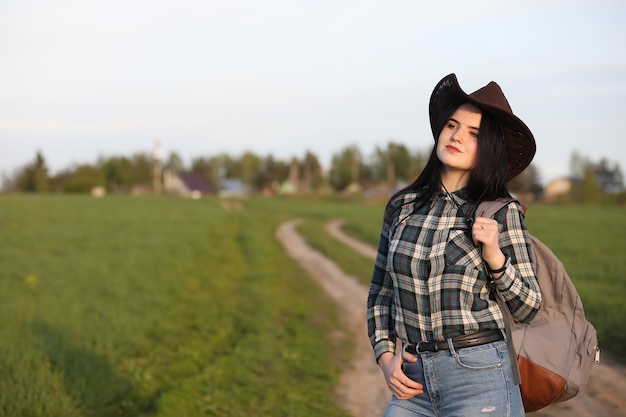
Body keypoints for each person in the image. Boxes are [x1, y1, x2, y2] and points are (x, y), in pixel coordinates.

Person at [366, 73, 542, 417]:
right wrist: (386, 359)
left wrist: (495, 257)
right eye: (452, 125)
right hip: (413, 379)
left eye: (473, 133)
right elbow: (380, 293)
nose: (457, 136)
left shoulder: (500, 212)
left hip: (480, 377)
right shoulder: (402, 207)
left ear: (488, 148)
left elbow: (529, 308)